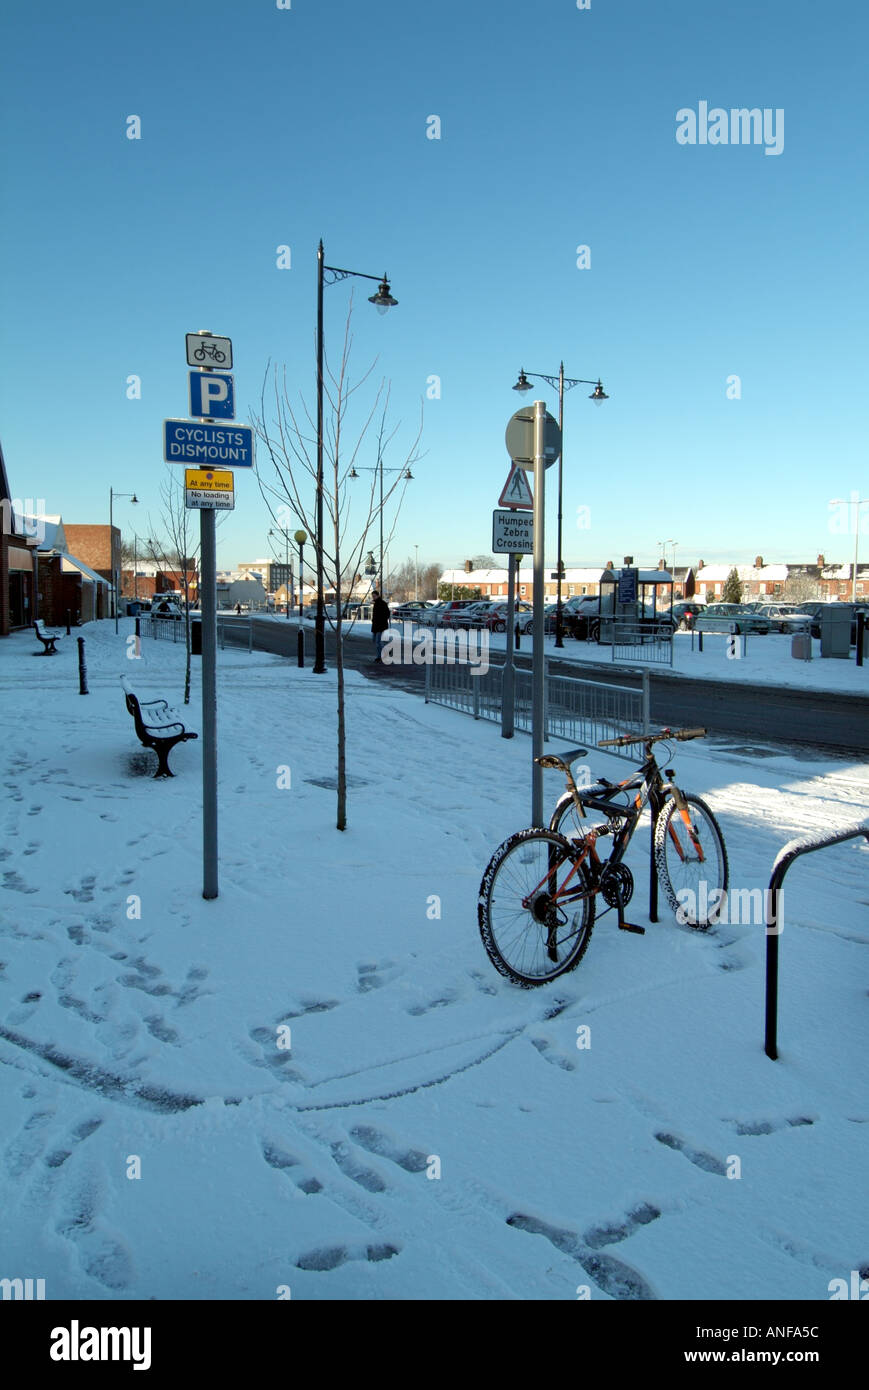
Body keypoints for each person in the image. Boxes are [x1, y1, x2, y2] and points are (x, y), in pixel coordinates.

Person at [370, 590, 391, 662]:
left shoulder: (382, 603)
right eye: (372, 596)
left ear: (378, 595)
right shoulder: (376, 603)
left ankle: (380, 657)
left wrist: (382, 620)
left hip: (380, 626)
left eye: (374, 596)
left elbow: (387, 614)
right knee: (375, 640)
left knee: (378, 642)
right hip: (376, 626)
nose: (373, 597)